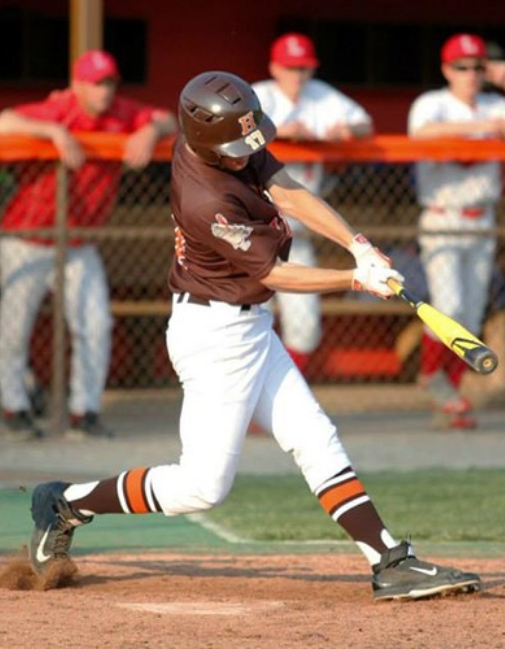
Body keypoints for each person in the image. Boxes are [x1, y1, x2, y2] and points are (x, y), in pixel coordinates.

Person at [26, 70, 481, 602]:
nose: (248, 153)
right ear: (206, 143)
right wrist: (352, 279)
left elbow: (288, 191)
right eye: (237, 146)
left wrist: (356, 244)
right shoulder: (206, 199)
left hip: (250, 326)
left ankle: (388, 561)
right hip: (213, 335)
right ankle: (66, 502)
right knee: (202, 487)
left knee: (314, 436)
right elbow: (275, 276)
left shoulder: (228, 145)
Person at [0, 50, 177, 441]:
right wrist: (54, 133)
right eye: (97, 83)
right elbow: (3, 122)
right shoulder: (59, 107)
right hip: (26, 239)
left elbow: (168, 119)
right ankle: (14, 407)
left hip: (79, 242)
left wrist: (149, 132)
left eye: (110, 82)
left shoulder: (121, 110)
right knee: (13, 332)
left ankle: (85, 412)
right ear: (77, 84)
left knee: (96, 325)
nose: (104, 90)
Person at [407, 34, 505, 429]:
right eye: (461, 67)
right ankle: (431, 375)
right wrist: (483, 126)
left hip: (482, 219)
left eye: (476, 67)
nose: (469, 75)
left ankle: (450, 399)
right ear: (446, 70)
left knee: (468, 319)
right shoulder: (432, 103)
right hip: (442, 215)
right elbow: (421, 133)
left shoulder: (496, 102)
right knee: (448, 307)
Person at [252, 32, 374, 373]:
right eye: (291, 68)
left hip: (297, 230)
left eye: (304, 68)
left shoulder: (322, 96)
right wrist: (283, 132)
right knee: (249, 319)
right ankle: (252, 398)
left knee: (305, 327)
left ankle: (278, 395)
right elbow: (232, 134)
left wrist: (344, 131)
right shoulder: (258, 94)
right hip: (253, 227)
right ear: (275, 68)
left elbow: (364, 124)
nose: (298, 76)